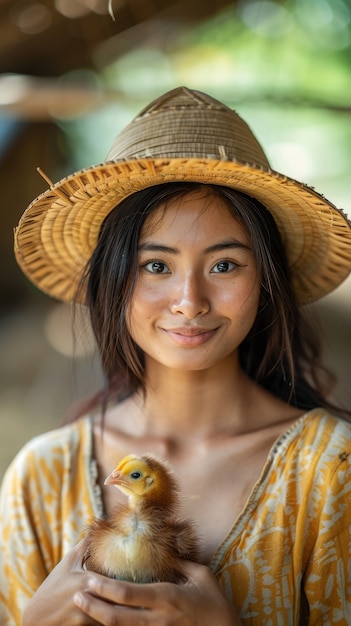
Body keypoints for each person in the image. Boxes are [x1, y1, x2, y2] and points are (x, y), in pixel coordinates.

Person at [1, 86, 351, 626]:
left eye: (225, 265)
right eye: (156, 266)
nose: (190, 302)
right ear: (112, 281)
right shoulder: (40, 477)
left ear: (266, 280)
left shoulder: (331, 472)